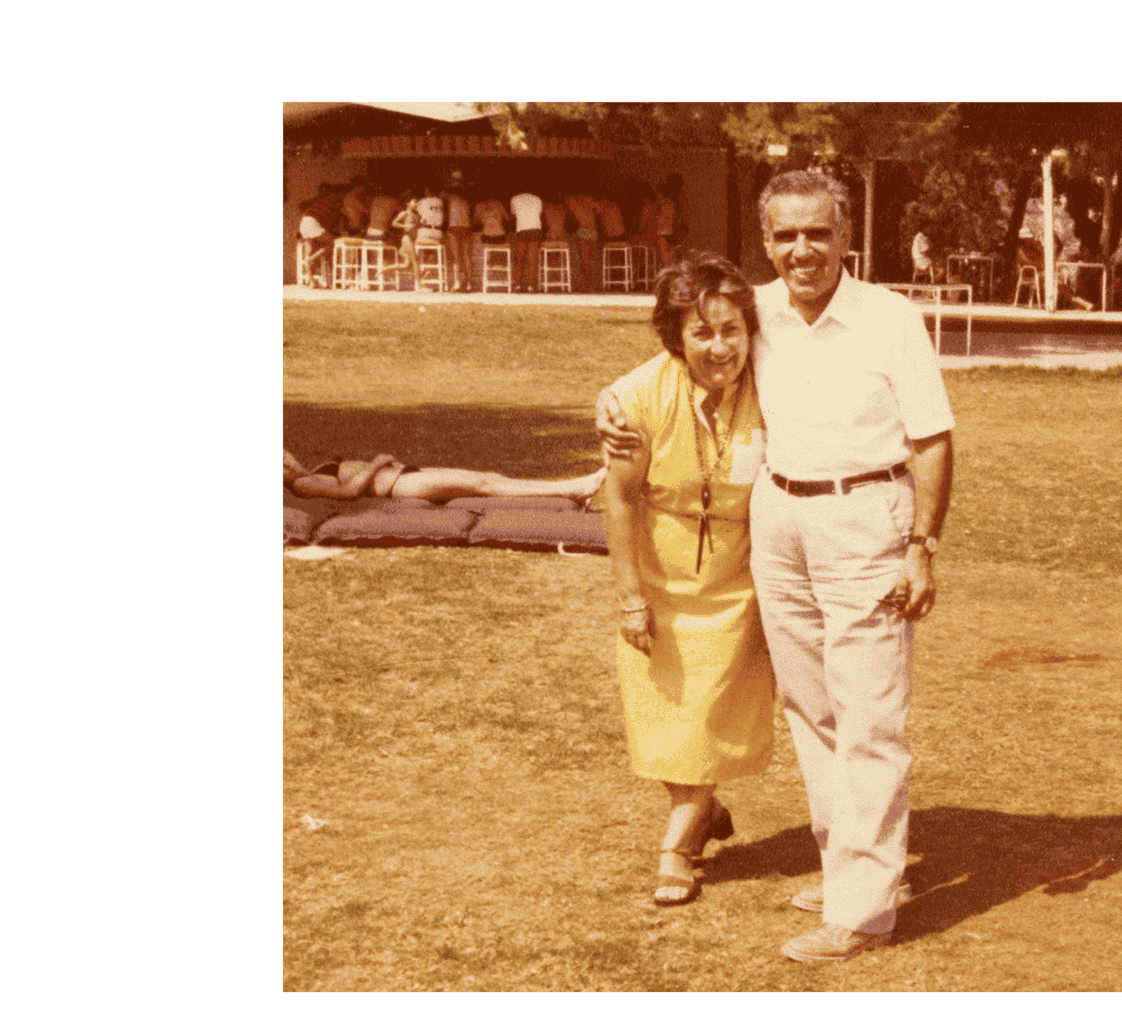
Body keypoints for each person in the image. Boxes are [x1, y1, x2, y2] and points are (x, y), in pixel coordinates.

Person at [597, 170, 953, 963]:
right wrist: (611, 408)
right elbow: (689, 355)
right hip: (780, 518)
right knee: (812, 707)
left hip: (867, 515)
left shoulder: (890, 319)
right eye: (786, 235)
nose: (803, 250)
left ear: (846, 235)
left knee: (868, 712)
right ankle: (849, 870)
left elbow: (932, 439)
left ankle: (861, 913)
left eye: (818, 232)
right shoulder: (758, 313)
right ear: (766, 242)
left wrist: (921, 545)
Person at [597, 252, 777, 908]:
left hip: (739, 583)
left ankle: (676, 849)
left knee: (707, 717)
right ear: (675, 337)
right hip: (660, 583)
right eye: (701, 333)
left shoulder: (770, 382)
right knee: (669, 722)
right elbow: (620, 499)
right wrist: (628, 596)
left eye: (732, 330)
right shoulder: (636, 397)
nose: (720, 346)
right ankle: (702, 810)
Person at [283, 452, 604, 503]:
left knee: (486, 478)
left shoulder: (313, 470)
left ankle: (572, 488)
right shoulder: (302, 483)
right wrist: (378, 463)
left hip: (403, 476)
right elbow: (349, 494)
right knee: (484, 485)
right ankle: (576, 487)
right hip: (400, 486)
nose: (288, 458)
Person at [509, 185, 544, 293]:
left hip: (522, 229)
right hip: (535, 229)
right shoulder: (538, 199)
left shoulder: (514, 199)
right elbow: (540, 215)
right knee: (532, 260)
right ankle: (531, 286)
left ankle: (518, 285)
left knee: (519, 259)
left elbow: (513, 216)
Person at [566, 187, 601, 292]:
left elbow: (568, 214)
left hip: (583, 230)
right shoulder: (589, 199)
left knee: (584, 260)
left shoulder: (572, 200)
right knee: (590, 260)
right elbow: (599, 210)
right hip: (593, 231)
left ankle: (588, 286)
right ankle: (585, 284)